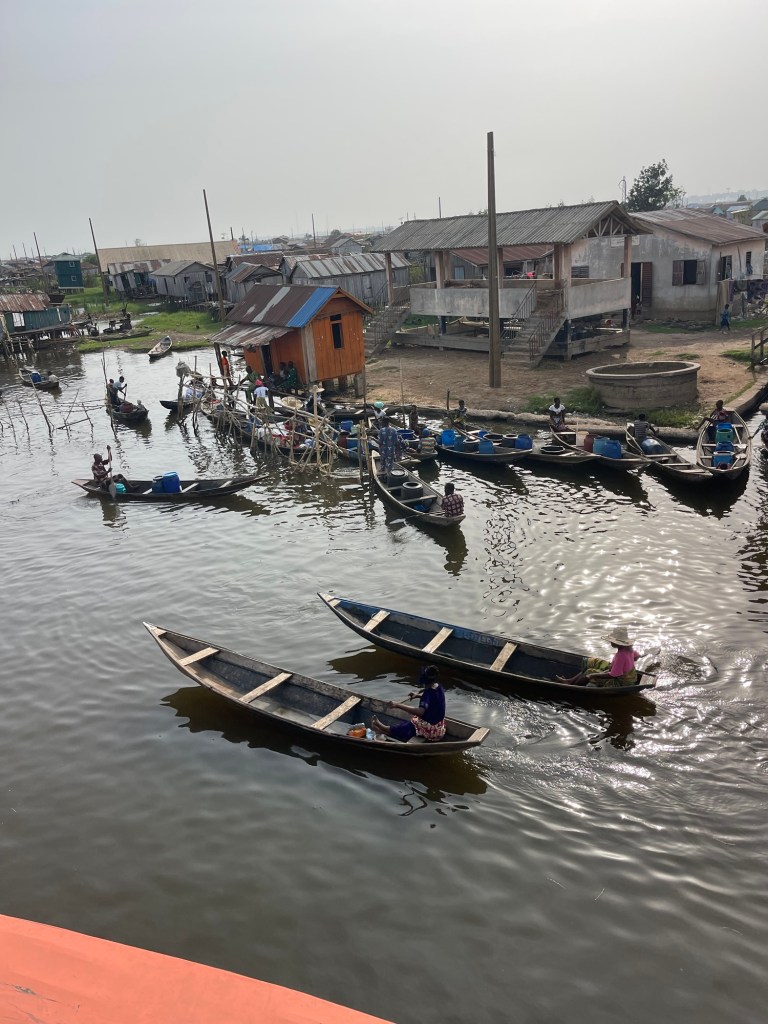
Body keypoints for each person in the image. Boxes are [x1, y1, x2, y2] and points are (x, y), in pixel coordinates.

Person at [371, 665, 446, 742]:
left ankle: (383, 728)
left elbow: (420, 712)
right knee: (411, 722)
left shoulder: (428, 693)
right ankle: (385, 732)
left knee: (408, 727)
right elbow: (433, 700)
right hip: (439, 727)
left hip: (431, 730)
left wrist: (398, 705)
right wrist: (417, 696)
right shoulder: (438, 686)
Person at [555, 627, 639, 688]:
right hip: (626, 676)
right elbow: (636, 656)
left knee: (589, 672)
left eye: (612, 641)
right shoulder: (630, 649)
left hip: (620, 682)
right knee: (591, 662)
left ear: (618, 643)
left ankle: (573, 687)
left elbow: (613, 675)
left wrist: (593, 675)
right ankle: (569, 681)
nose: (611, 642)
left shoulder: (620, 656)